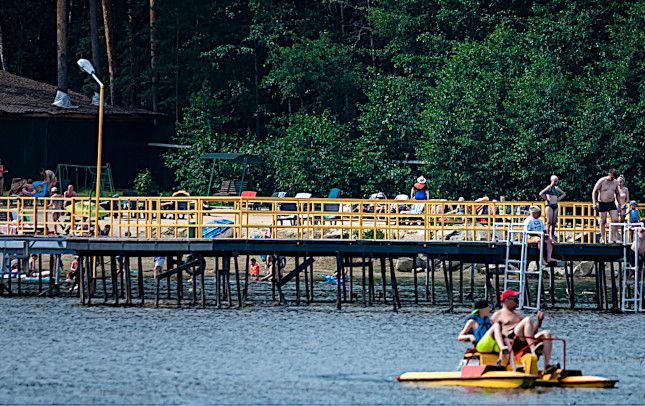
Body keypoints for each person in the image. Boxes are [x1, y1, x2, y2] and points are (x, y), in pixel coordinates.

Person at [490, 290, 555, 373]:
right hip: (511, 340)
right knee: (527, 319)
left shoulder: (518, 315)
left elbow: (531, 332)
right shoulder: (497, 314)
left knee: (547, 333)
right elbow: (493, 332)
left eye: (517, 299)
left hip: (524, 340)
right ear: (506, 300)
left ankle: (547, 366)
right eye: (515, 299)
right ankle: (533, 349)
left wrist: (539, 321)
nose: (517, 302)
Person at [591, 169, 621, 243]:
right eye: (611, 177)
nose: (612, 179)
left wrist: (619, 203)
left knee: (615, 220)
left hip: (611, 203)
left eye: (613, 177)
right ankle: (603, 238)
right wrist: (594, 203)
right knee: (603, 221)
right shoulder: (602, 180)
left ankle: (613, 237)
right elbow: (594, 191)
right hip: (602, 203)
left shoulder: (615, 182)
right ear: (608, 174)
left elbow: (617, 193)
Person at [539, 175, 566, 240]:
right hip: (549, 206)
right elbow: (541, 193)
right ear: (552, 180)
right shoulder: (549, 187)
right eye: (555, 181)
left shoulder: (556, 188)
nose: (556, 182)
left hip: (555, 205)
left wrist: (558, 199)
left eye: (556, 181)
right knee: (549, 222)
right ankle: (547, 236)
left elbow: (564, 194)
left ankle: (552, 236)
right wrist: (546, 199)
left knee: (554, 223)